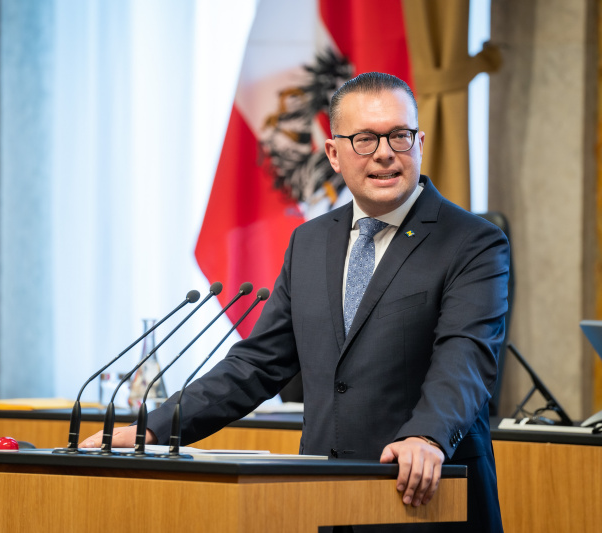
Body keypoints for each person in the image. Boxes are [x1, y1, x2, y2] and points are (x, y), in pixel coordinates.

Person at [82, 72, 509, 532]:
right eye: (365, 139)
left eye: (399, 136)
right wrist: (154, 427)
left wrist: (427, 434)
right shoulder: (310, 242)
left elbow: (464, 359)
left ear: (419, 142)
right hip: (322, 498)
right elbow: (258, 362)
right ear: (333, 153)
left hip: (425, 497)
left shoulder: (472, 243)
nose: (385, 152)